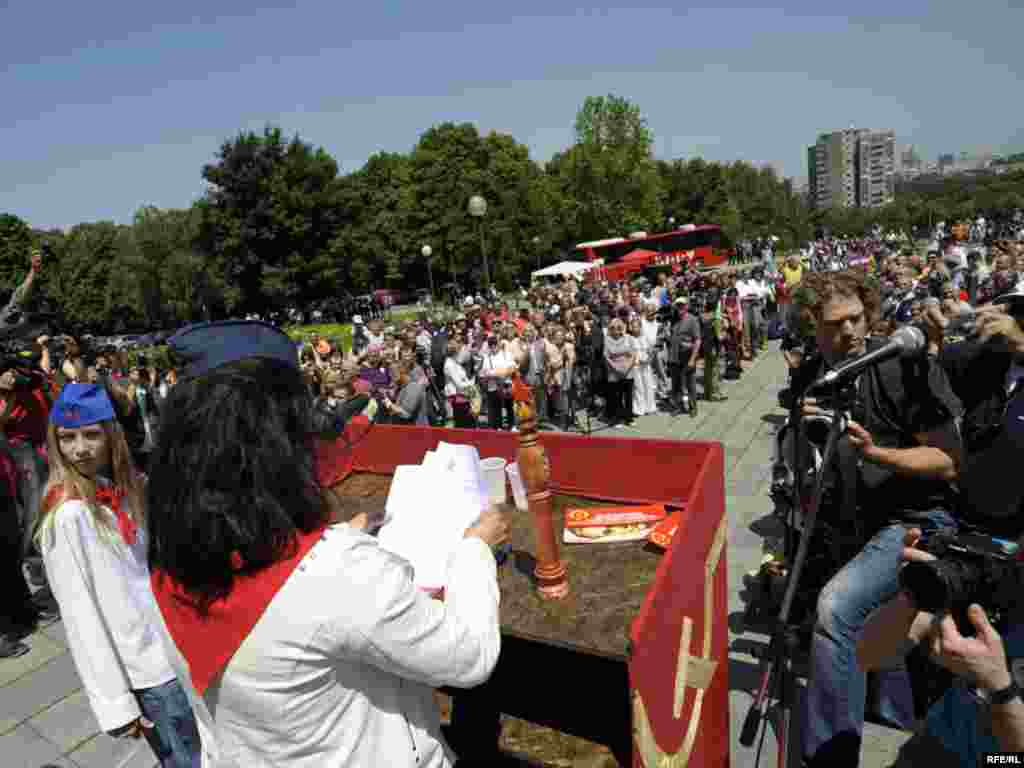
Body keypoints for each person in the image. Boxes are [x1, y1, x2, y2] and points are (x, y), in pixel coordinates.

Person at [145, 320, 508, 766]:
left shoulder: (171, 566)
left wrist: (337, 537)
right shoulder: (339, 577)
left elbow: (277, 588)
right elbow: (468, 655)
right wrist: (474, 549)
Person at [794, 270, 963, 768]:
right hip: (858, 518)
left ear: (870, 314)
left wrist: (876, 454)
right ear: (813, 327)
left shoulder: (900, 367)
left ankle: (831, 757)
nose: (848, 332)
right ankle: (895, 714)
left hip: (923, 518)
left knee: (836, 610)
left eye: (856, 319)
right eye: (833, 324)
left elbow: (950, 461)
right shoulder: (818, 374)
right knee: (867, 618)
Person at [34, 384, 201, 767]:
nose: (79, 449)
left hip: (171, 646)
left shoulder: (124, 490)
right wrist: (115, 702)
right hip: (145, 668)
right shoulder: (68, 515)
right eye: (67, 438)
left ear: (112, 435)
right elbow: (80, 617)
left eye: (91, 435)